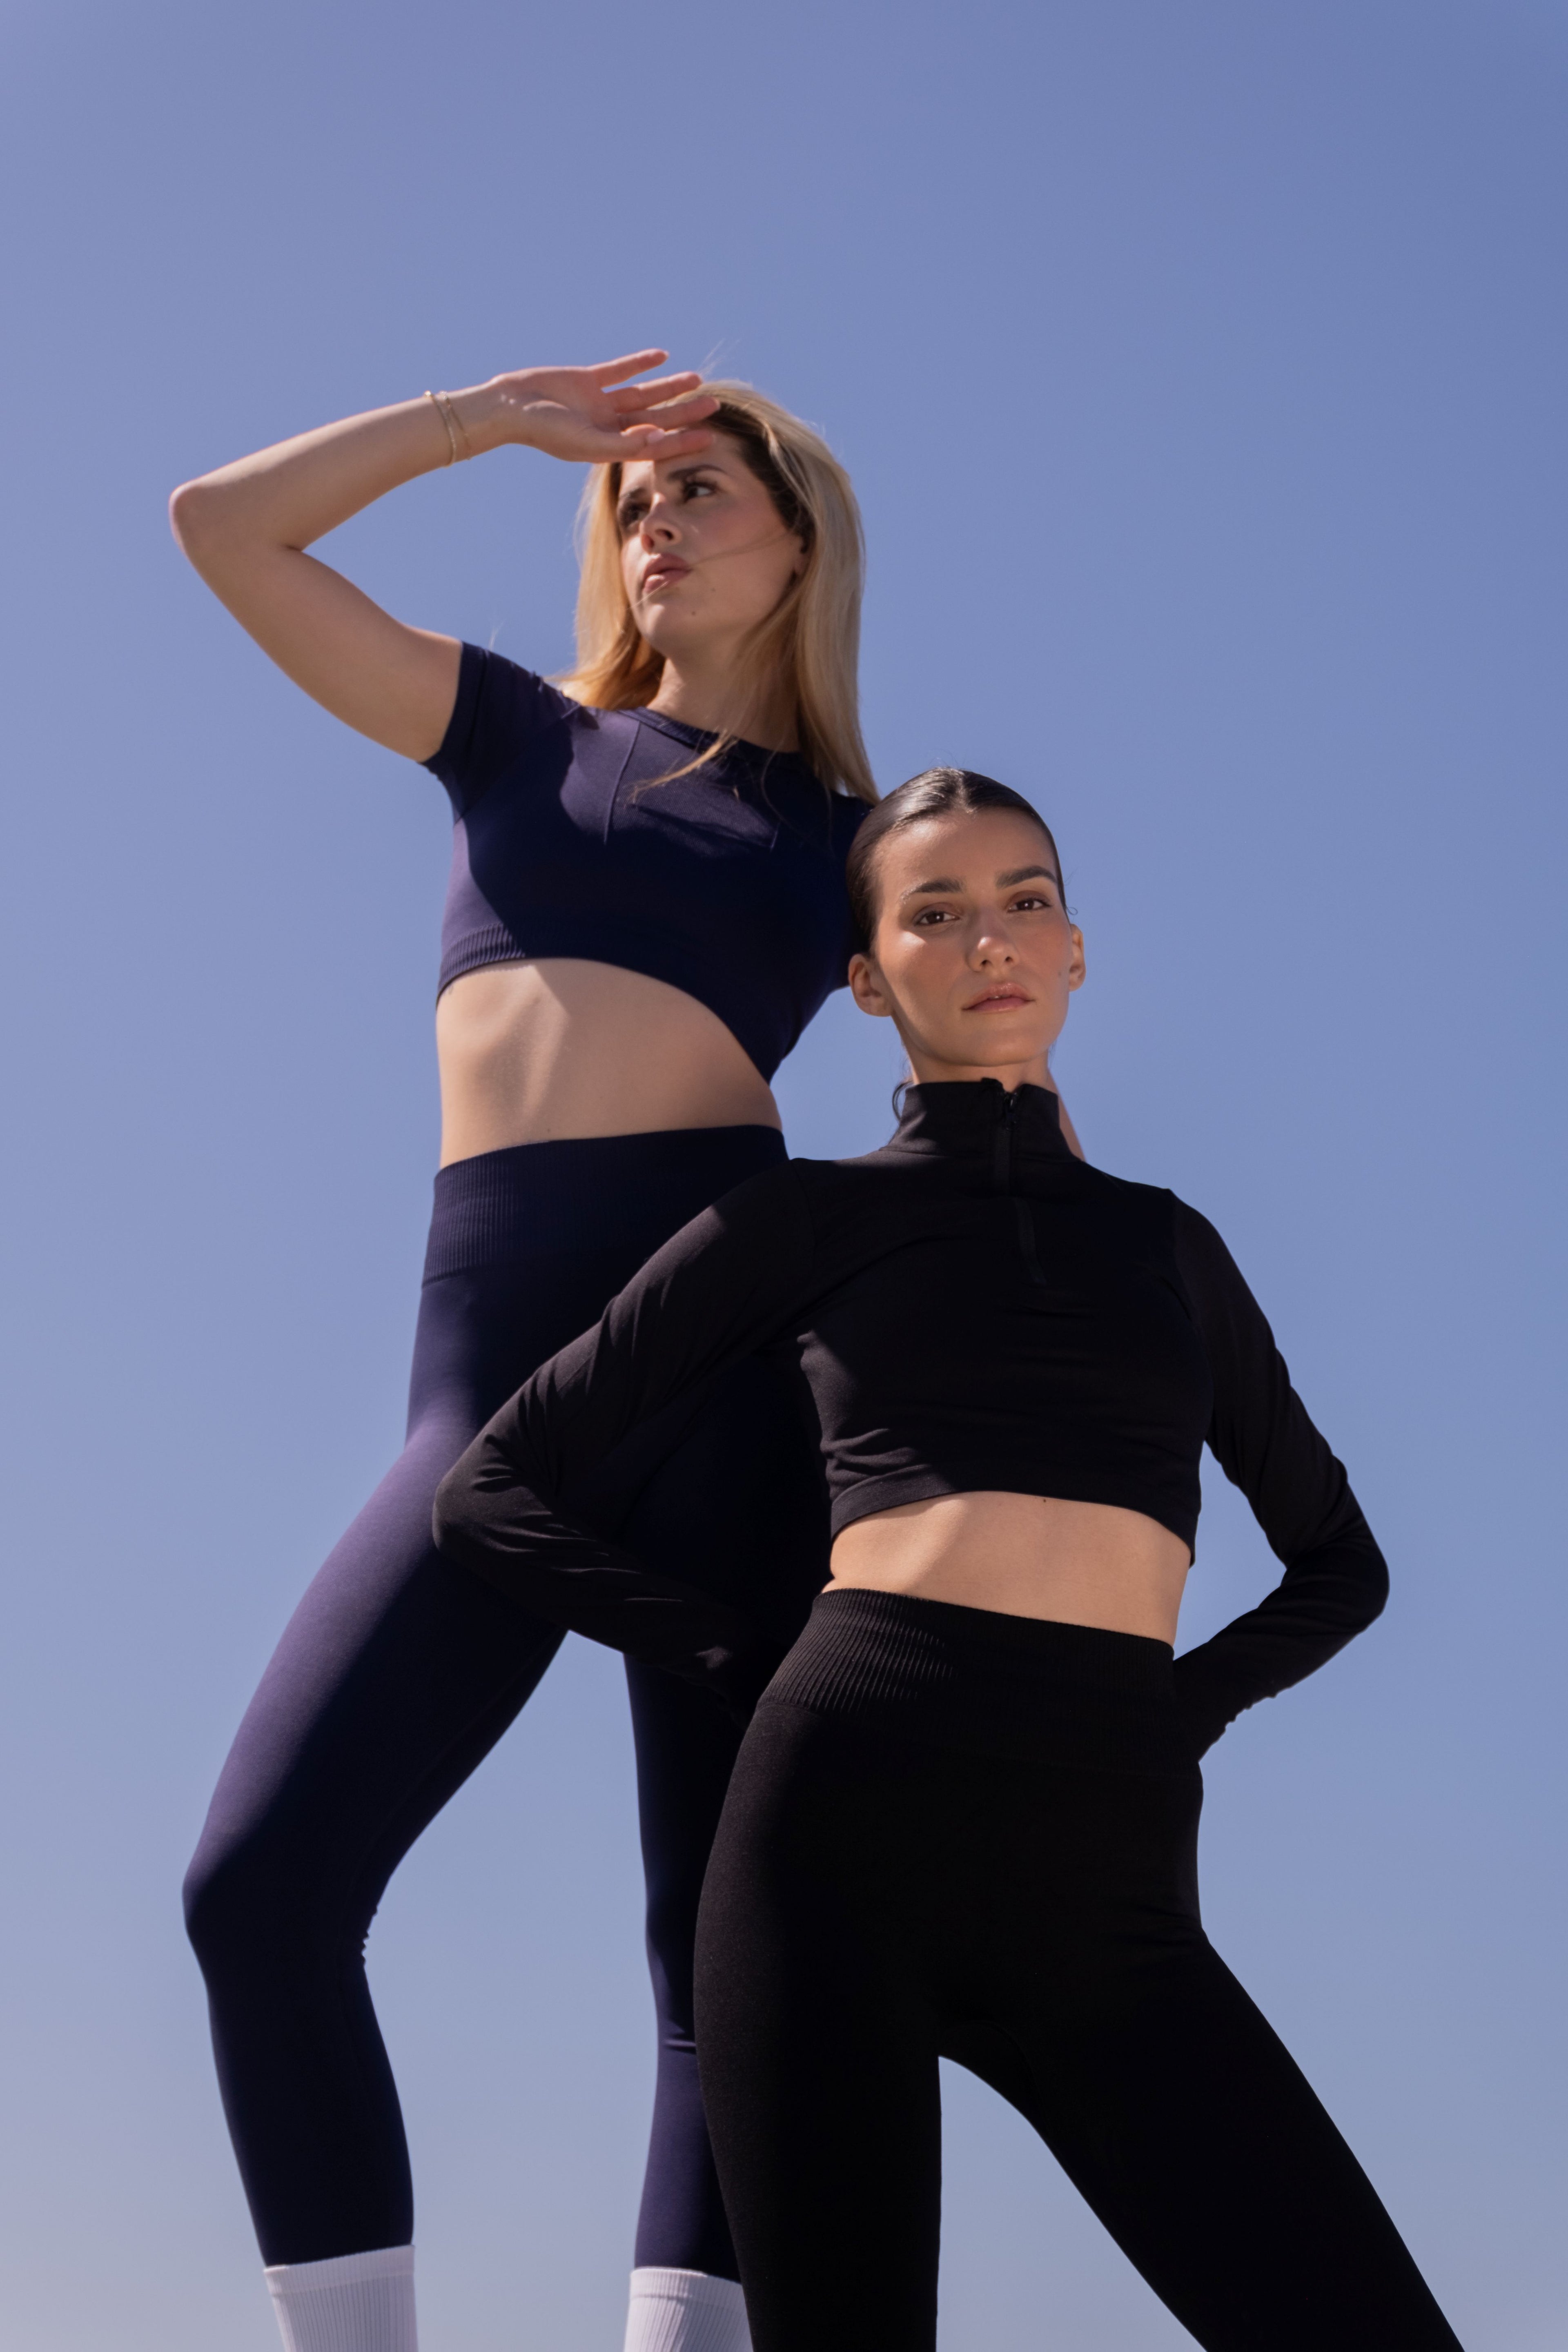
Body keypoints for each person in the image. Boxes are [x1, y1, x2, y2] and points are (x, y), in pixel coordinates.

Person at [433, 767, 1465, 2352]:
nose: (989, 939)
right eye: (936, 913)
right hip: (837, 1831)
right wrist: (744, 1664)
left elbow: (1340, 1563)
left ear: (1075, 952)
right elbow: (496, 1489)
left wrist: (1175, 1716)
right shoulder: (802, 1222)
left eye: (1024, 901)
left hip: (1110, 1867)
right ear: (867, 978)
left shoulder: (1166, 1246)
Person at [170, 354, 890, 2352]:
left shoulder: (851, 840)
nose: (654, 524)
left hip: (737, 1383)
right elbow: (222, 528)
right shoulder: (515, 735)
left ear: (803, 541)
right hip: (484, 1391)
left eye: (703, 497)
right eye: (633, 504)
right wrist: (487, 421)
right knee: (260, 1894)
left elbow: (989, 1045)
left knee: (719, 1959)